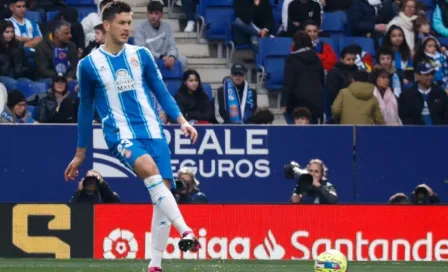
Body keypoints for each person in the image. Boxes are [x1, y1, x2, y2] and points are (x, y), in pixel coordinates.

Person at [63, 3, 200, 272]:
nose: (127, 27)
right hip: (120, 135)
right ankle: (187, 232)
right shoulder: (89, 65)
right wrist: (81, 153)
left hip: (153, 132)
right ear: (106, 25)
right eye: (122, 22)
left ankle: (155, 264)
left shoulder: (142, 55)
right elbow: (85, 108)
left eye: (129, 22)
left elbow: (161, 91)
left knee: (162, 195)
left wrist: (181, 120)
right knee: (150, 171)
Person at [281, 31, 324, 124]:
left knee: (296, 134)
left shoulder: (291, 59)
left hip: (297, 100)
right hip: (316, 100)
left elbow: (288, 82)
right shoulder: (317, 58)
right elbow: (321, 80)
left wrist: (284, 102)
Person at [134, 1, 188, 70]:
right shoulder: (140, 26)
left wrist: (171, 57)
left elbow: (172, 46)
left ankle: (177, 80)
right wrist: (160, 56)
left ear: (161, 15)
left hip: (166, 57)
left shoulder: (167, 27)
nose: (153, 16)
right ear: (147, 14)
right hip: (149, 57)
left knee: (183, 60)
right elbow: (141, 49)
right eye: (151, 13)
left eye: (156, 13)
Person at [0, 20, 31, 90]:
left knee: (29, 84)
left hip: (17, 76)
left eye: (12, 32)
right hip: (2, 77)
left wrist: (20, 70)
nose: (10, 34)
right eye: (7, 32)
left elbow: (25, 64)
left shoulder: (18, 45)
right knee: (14, 84)